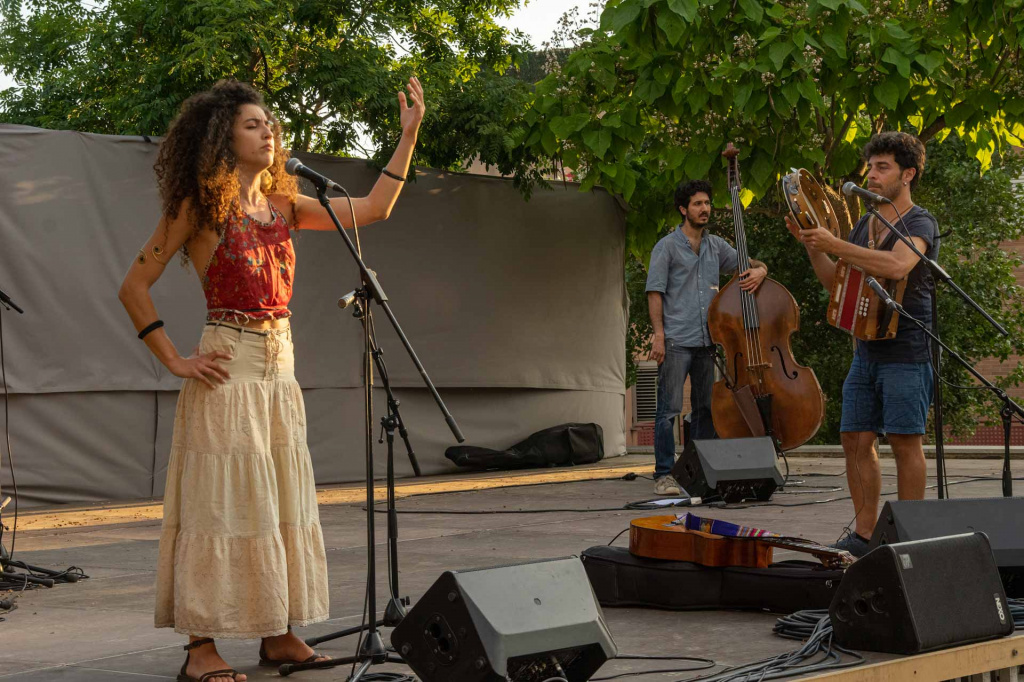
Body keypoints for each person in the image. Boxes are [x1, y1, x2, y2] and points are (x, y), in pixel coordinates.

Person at [118, 77, 425, 682]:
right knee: (220, 505)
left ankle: (278, 633)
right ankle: (199, 648)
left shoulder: (288, 204)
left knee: (276, 501)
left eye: (271, 124)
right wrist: (175, 359)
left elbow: (374, 209)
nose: (269, 132)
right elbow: (133, 286)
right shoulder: (198, 208)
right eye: (254, 124)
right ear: (222, 138)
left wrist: (407, 136)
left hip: (279, 369)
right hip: (226, 367)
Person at [789, 131, 939, 557]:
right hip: (866, 351)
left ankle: (908, 535)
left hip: (906, 353)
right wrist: (813, 245)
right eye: (870, 166)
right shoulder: (862, 225)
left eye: (882, 167)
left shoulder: (919, 221)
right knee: (855, 438)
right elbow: (837, 282)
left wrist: (834, 243)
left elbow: (898, 264)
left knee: (905, 441)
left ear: (907, 174)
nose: (871, 175)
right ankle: (865, 533)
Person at [645, 179, 768, 496]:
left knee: (703, 410)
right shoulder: (666, 247)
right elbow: (655, 293)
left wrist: (761, 271)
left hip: (707, 342)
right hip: (675, 339)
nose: (704, 209)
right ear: (683, 209)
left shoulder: (716, 246)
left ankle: (696, 471)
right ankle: (664, 474)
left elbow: (748, 264)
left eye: (707, 203)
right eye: (697, 204)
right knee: (669, 410)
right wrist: (658, 335)